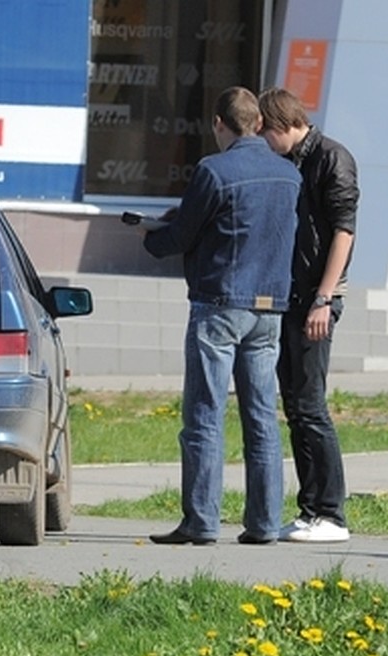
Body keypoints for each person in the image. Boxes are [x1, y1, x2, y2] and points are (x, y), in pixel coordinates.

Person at [138, 86, 301, 546]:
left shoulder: (214, 169)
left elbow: (184, 235)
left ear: (218, 124)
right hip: (270, 308)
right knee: (262, 417)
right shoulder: (288, 175)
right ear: (258, 123)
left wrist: (150, 238)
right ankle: (265, 523)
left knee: (205, 415)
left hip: (219, 305)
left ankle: (201, 522)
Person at [258, 87, 359, 543]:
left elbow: (343, 231)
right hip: (290, 296)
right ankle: (309, 509)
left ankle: (331, 513)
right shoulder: (289, 162)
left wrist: (323, 298)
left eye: (266, 133)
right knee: (296, 407)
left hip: (315, 299)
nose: (264, 143)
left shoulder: (331, 158)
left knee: (311, 406)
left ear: (282, 126)